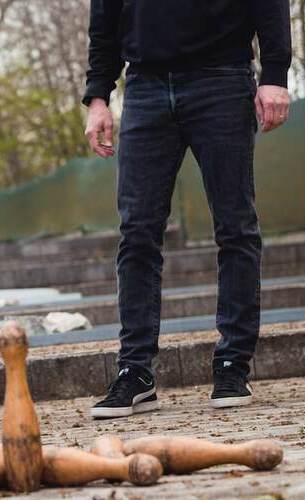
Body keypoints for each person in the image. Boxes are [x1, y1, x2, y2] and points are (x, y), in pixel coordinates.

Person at [83, 1, 292, 418]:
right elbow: (103, 20)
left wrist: (274, 75)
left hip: (222, 78)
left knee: (235, 226)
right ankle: (135, 370)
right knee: (137, 232)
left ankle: (233, 364)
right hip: (143, 86)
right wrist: (97, 97)